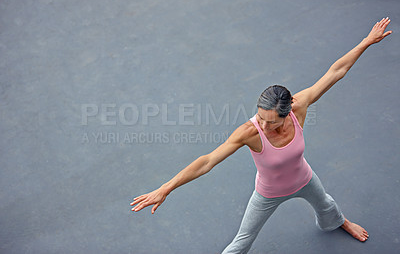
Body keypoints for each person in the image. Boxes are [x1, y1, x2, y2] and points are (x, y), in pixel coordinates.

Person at [130, 18, 392, 252]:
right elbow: (207, 161)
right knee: (242, 241)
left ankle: (341, 222)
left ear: (288, 110)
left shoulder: (299, 107)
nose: (264, 127)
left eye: (273, 123)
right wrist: (166, 188)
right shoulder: (248, 132)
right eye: (261, 119)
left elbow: (335, 72)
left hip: (305, 178)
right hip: (268, 193)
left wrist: (366, 42)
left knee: (327, 206)